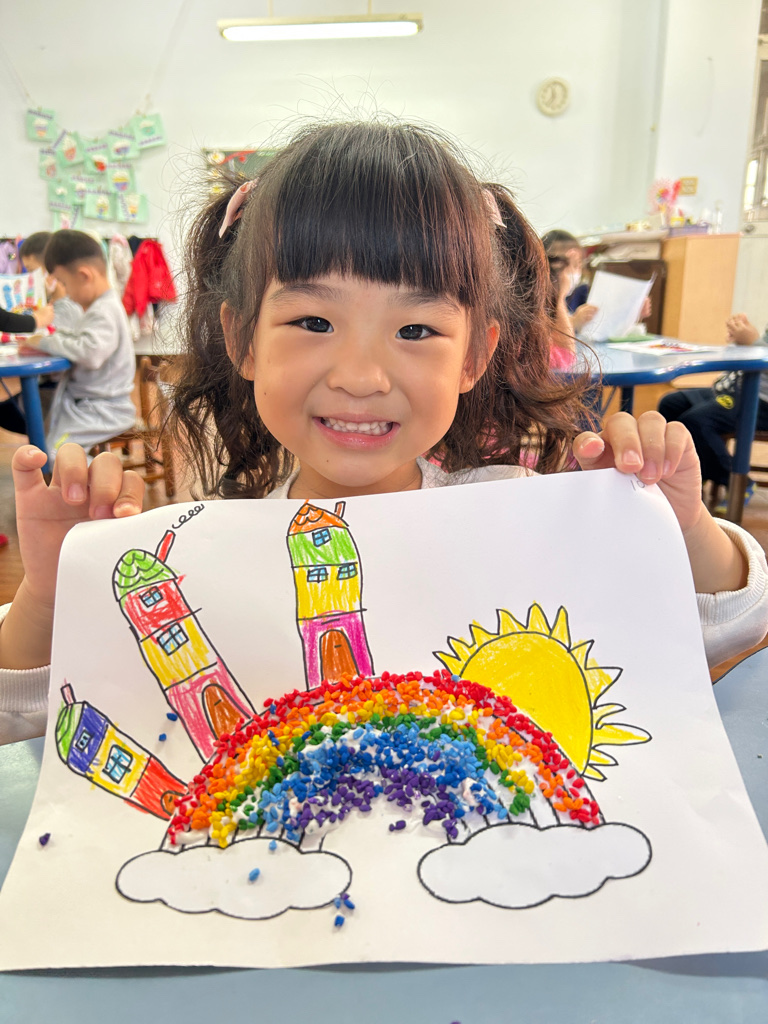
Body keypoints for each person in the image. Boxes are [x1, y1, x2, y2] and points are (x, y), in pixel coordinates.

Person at [1, 120, 766, 744]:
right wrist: (49, 595)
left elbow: (719, 633)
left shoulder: (512, 512)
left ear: (475, 356)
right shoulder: (207, 557)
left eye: (415, 328)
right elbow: (22, 715)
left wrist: (682, 532)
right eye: (313, 321)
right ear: (241, 340)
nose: (361, 375)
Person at [29, 229, 137, 454]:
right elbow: (81, 340)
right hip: (90, 404)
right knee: (52, 443)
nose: (67, 293)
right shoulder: (100, 307)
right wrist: (49, 340)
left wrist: (42, 343)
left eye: (64, 283)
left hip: (104, 409)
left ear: (84, 276)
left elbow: (90, 352)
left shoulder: (104, 311)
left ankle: (98, 479)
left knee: (58, 452)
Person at [658, 313, 768, 505]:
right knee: (671, 404)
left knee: (697, 422)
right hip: (738, 389)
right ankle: (687, 477)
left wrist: (753, 343)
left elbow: (761, 353)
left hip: (761, 401)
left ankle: (737, 482)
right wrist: (741, 340)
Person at [0, 233, 83, 436]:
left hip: (63, 395)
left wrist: (33, 338)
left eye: (32, 271)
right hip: (50, 388)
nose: (29, 279)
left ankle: (43, 450)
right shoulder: (50, 307)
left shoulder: (67, 309)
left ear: (52, 272)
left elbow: (58, 347)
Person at [541, 229, 597, 334]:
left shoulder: (576, 294)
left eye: (577, 265)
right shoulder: (537, 301)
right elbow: (550, 334)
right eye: (561, 263)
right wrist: (574, 322)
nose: (572, 272)